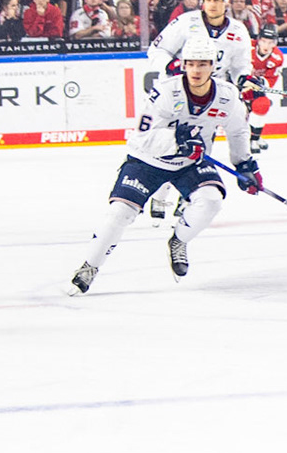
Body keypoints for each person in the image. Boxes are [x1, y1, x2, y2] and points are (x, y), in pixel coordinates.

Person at [68, 32, 260, 294]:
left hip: (189, 163)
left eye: (202, 63)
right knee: (119, 214)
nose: (196, 69)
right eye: (191, 63)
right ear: (183, 64)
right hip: (147, 160)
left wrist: (244, 165)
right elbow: (143, 136)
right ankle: (90, 265)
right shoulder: (165, 92)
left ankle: (179, 240)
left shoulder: (227, 96)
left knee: (212, 200)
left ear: (213, 66)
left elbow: (237, 131)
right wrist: (176, 141)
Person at [143, 0, 263, 220]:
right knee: (172, 141)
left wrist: (245, 81)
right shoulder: (186, 23)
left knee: (202, 145)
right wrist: (173, 65)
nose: (212, 5)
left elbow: (240, 67)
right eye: (208, 0)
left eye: (217, 0)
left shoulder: (238, 30)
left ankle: (188, 196)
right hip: (180, 88)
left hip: (212, 92)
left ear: (226, 3)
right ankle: (161, 193)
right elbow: (156, 50)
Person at [247, 24, 284, 151]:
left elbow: (270, 79)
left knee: (262, 105)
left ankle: (254, 139)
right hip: (238, 84)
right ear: (258, 39)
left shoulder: (277, 57)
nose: (266, 46)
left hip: (256, 87)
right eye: (263, 41)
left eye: (270, 42)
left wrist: (260, 83)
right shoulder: (246, 47)